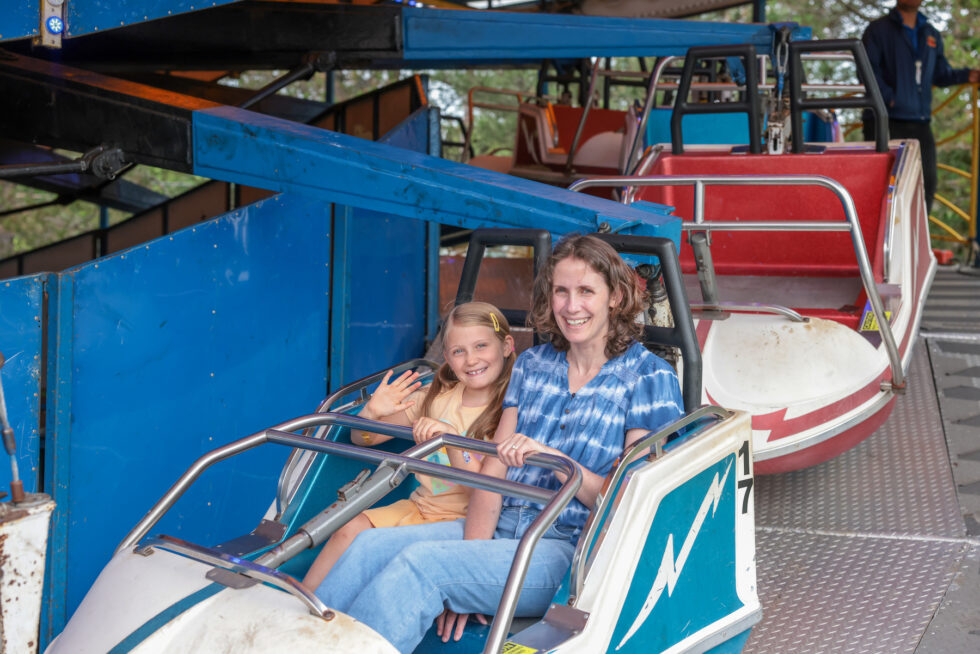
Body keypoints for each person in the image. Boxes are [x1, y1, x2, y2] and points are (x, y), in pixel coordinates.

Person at [313, 235, 685, 653]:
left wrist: (561, 463)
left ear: (615, 297)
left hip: (565, 549)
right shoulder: (533, 365)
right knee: (366, 547)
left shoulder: (650, 377)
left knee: (421, 565)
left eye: (586, 291)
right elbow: (493, 473)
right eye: (561, 291)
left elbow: (630, 501)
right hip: (500, 530)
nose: (571, 306)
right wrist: (470, 570)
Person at [301, 301, 516, 592]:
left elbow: (482, 493)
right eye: (458, 351)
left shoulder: (510, 410)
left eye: (481, 346)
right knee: (349, 529)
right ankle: (301, 604)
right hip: (421, 508)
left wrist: (452, 441)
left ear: (506, 346)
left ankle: (329, 607)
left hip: (466, 522)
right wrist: (372, 413)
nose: (471, 360)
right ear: (447, 358)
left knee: (372, 548)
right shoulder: (437, 397)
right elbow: (363, 438)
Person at [862, 0, 980, 211]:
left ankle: (917, 234)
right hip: (884, 121)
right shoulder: (877, 30)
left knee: (926, 185)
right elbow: (866, 71)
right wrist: (891, 99)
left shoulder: (930, 33)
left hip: (920, 121)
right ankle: (880, 234)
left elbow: (940, 74)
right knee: (884, 187)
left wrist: (967, 75)